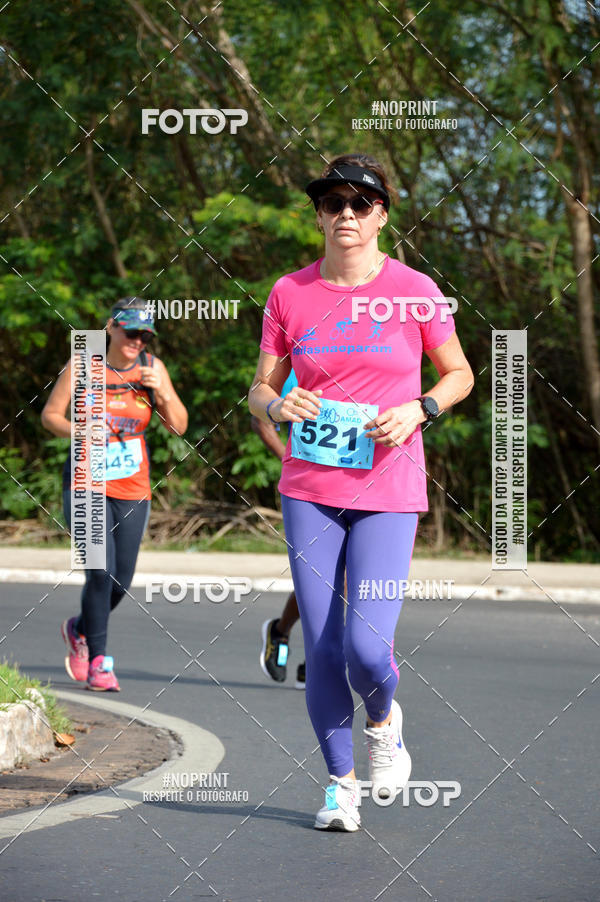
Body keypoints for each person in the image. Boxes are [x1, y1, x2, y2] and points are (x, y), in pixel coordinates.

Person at [248, 153, 473, 831]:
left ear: (382, 214)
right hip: (310, 488)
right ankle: (339, 785)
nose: (346, 214)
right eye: (332, 202)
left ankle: (384, 718)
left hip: (388, 486)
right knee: (321, 645)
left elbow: (459, 373)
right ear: (318, 213)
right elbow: (259, 388)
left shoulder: (416, 290)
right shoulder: (289, 292)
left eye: (361, 203)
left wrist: (421, 409)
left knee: (369, 650)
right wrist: (274, 407)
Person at [41, 298, 188, 691]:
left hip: (133, 486)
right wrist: (80, 432)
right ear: (110, 327)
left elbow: (179, 427)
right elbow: (51, 415)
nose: (137, 341)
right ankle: (99, 664)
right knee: (99, 572)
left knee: (121, 580)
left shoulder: (153, 368)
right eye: (131, 332)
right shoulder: (84, 363)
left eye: (145, 335)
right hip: (86, 482)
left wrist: (165, 396)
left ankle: (80, 627)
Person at [254, 370, 305, 689]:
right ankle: (282, 631)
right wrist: (290, 459)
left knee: (345, 578)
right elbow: (261, 418)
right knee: (322, 577)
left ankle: (316, 658)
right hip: (308, 486)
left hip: (360, 482)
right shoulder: (298, 362)